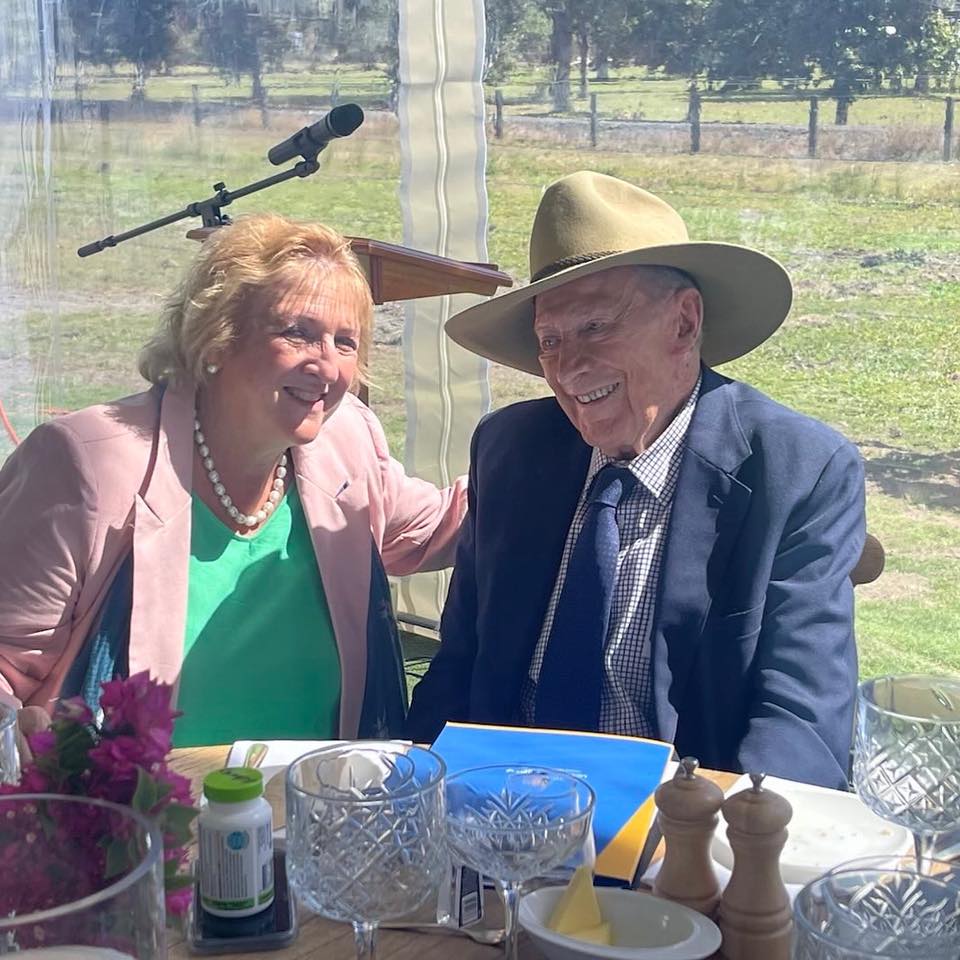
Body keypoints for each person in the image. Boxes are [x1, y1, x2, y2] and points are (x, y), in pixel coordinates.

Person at [406, 171, 866, 789]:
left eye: (596, 327)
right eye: (550, 340)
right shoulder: (510, 450)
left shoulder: (798, 470)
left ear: (683, 323)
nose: (569, 368)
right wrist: (415, 802)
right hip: (501, 811)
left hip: (682, 837)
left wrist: (706, 861)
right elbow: (457, 667)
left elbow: (801, 721)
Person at [0, 214, 467, 747]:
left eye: (345, 343)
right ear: (218, 336)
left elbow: (441, 527)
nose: (328, 367)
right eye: (299, 333)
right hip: (145, 819)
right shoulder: (85, 463)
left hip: (324, 812)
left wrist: (570, 429)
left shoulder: (347, 440)